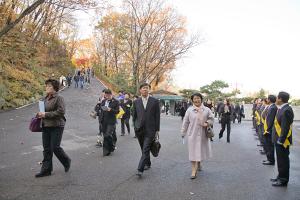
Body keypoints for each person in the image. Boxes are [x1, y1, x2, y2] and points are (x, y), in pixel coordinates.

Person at [35, 79, 71, 177]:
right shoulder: (45, 98)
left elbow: (61, 112)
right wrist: (39, 114)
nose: (47, 87)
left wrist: (46, 114)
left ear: (55, 88)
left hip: (57, 125)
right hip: (46, 125)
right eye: (46, 86)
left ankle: (66, 160)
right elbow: (43, 111)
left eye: (49, 86)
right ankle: (46, 170)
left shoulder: (59, 98)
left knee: (55, 147)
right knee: (46, 149)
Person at [181, 93, 214, 179]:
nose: (196, 100)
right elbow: (186, 122)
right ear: (192, 100)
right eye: (195, 99)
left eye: (198, 98)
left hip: (203, 134)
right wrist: (183, 132)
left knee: (200, 150)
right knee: (192, 151)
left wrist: (207, 123)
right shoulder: (189, 110)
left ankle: (198, 163)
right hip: (192, 133)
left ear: (201, 99)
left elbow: (211, 119)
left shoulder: (206, 110)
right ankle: (193, 170)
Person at [132, 83, 160, 177]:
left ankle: (140, 169)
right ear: (140, 90)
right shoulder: (136, 102)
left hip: (150, 129)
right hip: (139, 129)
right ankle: (148, 163)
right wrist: (135, 127)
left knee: (146, 148)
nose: (145, 90)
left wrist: (157, 129)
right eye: (143, 88)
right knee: (143, 148)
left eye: (147, 88)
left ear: (149, 90)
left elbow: (157, 116)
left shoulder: (155, 101)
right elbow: (134, 116)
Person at [271, 92, 294, 187]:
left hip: (282, 141)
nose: (276, 99)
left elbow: (285, 128)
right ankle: (280, 176)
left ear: (280, 99)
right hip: (278, 139)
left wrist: (281, 140)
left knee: (283, 160)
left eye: (277, 98)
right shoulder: (282, 108)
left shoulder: (286, 110)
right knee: (280, 160)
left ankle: (283, 179)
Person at [99, 89, 119, 156]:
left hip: (111, 121)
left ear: (111, 95)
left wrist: (110, 109)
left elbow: (117, 111)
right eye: (105, 95)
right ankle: (106, 151)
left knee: (108, 135)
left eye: (108, 95)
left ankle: (111, 146)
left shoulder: (116, 101)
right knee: (105, 136)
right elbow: (101, 109)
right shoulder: (103, 101)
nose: (106, 97)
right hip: (103, 121)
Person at [262, 95, 277, 166]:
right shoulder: (271, 106)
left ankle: (271, 160)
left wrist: (267, 130)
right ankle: (269, 159)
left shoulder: (273, 107)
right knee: (268, 145)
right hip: (268, 129)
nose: (266, 100)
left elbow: (270, 120)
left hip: (269, 130)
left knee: (270, 146)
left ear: (269, 100)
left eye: (267, 99)